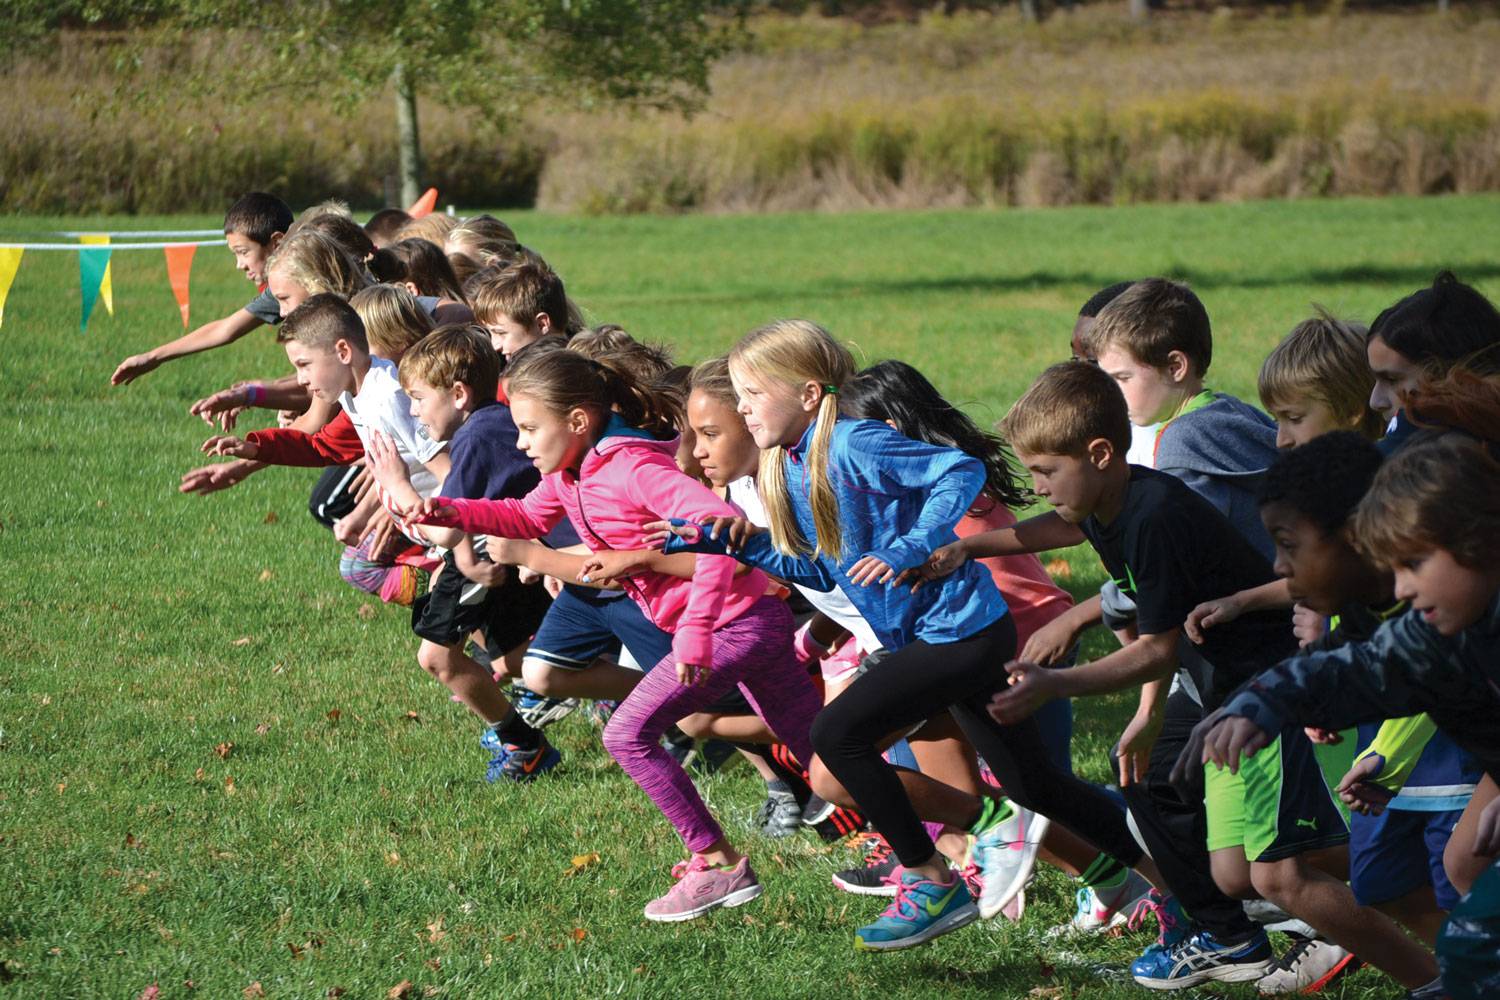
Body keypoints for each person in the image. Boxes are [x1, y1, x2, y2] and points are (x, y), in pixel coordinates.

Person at [658, 321, 1146, 952]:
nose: (743, 406)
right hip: (941, 637)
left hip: (961, 634)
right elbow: (820, 570)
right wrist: (741, 546)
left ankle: (930, 879)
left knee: (836, 736)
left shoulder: (853, 444)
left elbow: (960, 470)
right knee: (1036, 786)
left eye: (752, 393)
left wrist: (917, 544)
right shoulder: (795, 463)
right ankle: (1170, 869)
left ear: (809, 394)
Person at [408, 349, 823, 922]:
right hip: (748, 620)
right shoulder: (571, 473)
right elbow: (526, 518)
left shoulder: (632, 468)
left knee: (627, 735)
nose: (522, 444)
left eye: (530, 428)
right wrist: (448, 509)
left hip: (735, 623)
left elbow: (717, 537)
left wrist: (696, 632)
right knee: (824, 755)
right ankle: (945, 843)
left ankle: (717, 863)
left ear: (577, 421)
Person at [983, 360, 1297, 988]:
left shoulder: (1153, 517)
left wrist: (1060, 682)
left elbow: (1156, 649)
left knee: (1272, 838)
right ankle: (1230, 929)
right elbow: (1062, 527)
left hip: (1263, 678)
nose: (1038, 485)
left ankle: (1267, 915)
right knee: (1148, 777)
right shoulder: (1110, 500)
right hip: (1220, 675)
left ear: (1098, 453)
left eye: (1046, 471)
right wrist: (971, 547)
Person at [839, 359, 1164, 928]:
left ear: (883, 434)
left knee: (1043, 791)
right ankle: (1083, 867)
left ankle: (1159, 858)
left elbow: (1029, 583)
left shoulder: (940, 503)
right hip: (988, 649)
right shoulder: (920, 497)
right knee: (1029, 788)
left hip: (1022, 649)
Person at [1183, 432, 1500, 1000]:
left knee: (1474, 934)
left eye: (1415, 562)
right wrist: (1260, 704)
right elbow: (1356, 667)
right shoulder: (1433, 626)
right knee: (1467, 941)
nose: (1403, 586)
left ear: (1481, 542)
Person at [360, 325, 558, 780]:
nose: (412, 411)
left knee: (437, 657)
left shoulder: (473, 438)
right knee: (523, 651)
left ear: (458, 393)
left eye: (418, 398)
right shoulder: (494, 423)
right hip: (507, 552)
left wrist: (397, 487)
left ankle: (524, 745)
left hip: (494, 553)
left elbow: (448, 530)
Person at [185, 295, 449, 606]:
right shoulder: (356, 394)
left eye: (304, 365)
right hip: (438, 535)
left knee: (441, 650)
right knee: (440, 648)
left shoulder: (389, 398)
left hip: (455, 533)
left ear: (343, 351)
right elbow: (322, 447)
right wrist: (255, 448)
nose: (301, 379)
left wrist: (459, 544)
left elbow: (450, 471)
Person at [109, 192, 294, 386]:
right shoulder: (279, 289)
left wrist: (271, 392)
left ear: (277, 243)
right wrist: (153, 357)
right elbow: (225, 329)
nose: (239, 265)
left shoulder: (301, 286)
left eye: (244, 252)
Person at [468, 258, 574, 360]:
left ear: (542, 324)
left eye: (501, 333)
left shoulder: (573, 375)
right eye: (491, 333)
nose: (494, 346)